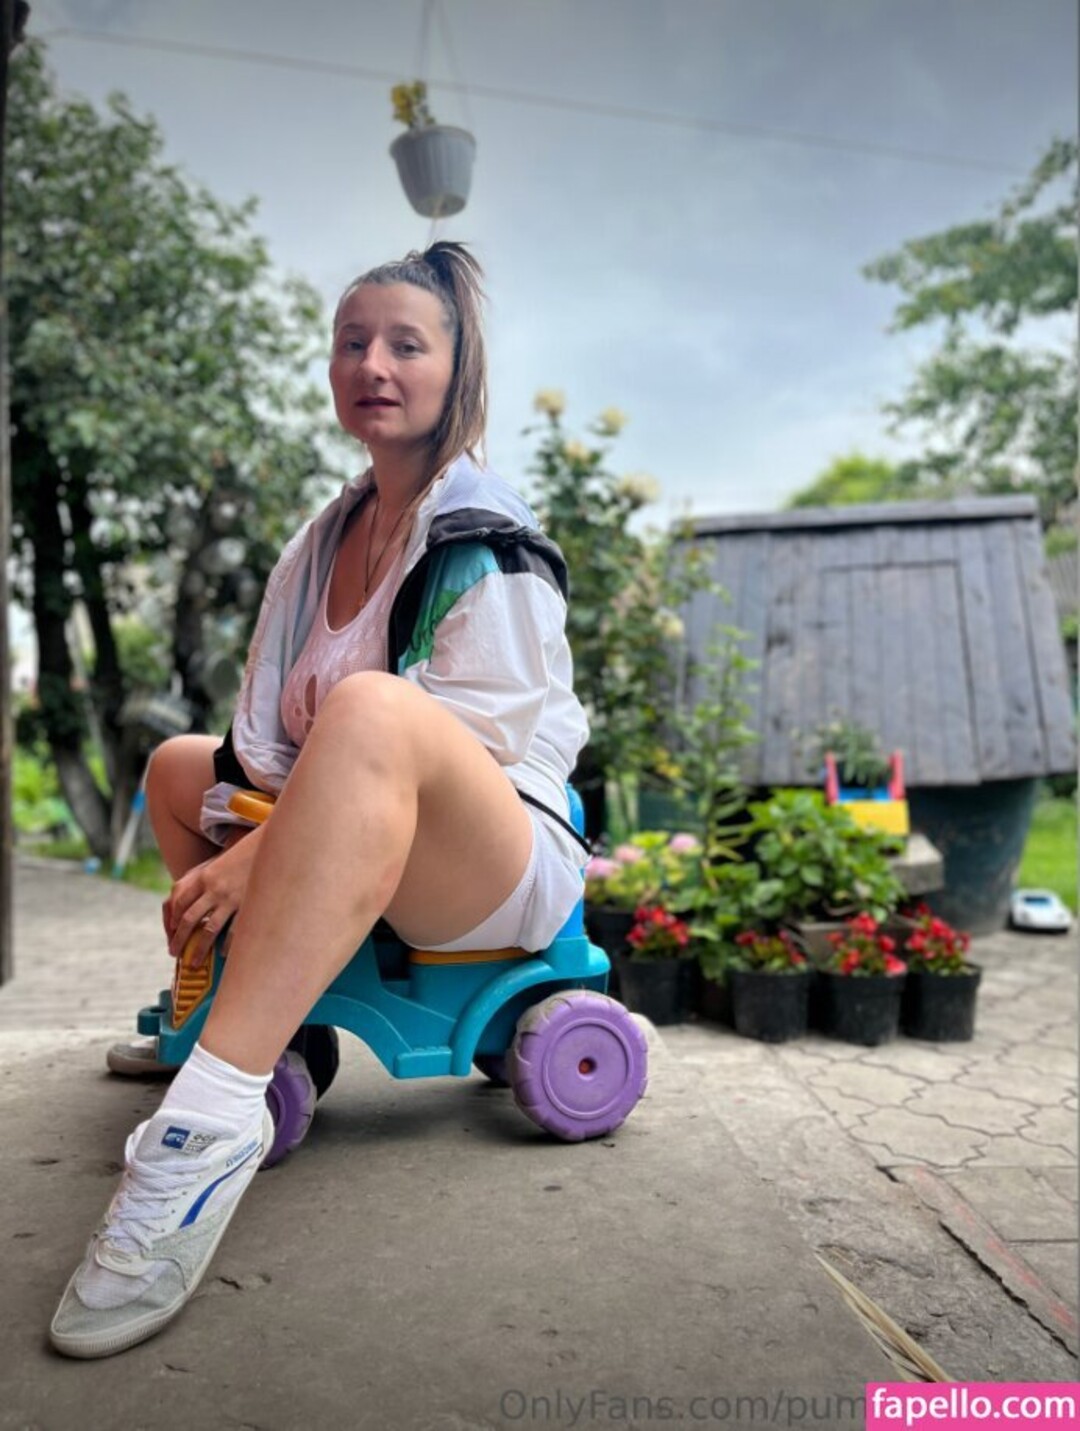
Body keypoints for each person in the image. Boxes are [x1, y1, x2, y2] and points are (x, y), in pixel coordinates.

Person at [50, 242, 589, 1359]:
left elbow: (476, 740)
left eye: (406, 344)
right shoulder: (324, 539)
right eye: (353, 343)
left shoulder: (483, 533)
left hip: (488, 857)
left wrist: (269, 845)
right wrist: (255, 821)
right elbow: (268, 736)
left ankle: (206, 1133)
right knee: (178, 766)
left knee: (375, 708)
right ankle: (244, 1007)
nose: (373, 365)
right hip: (360, 822)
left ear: (457, 370)